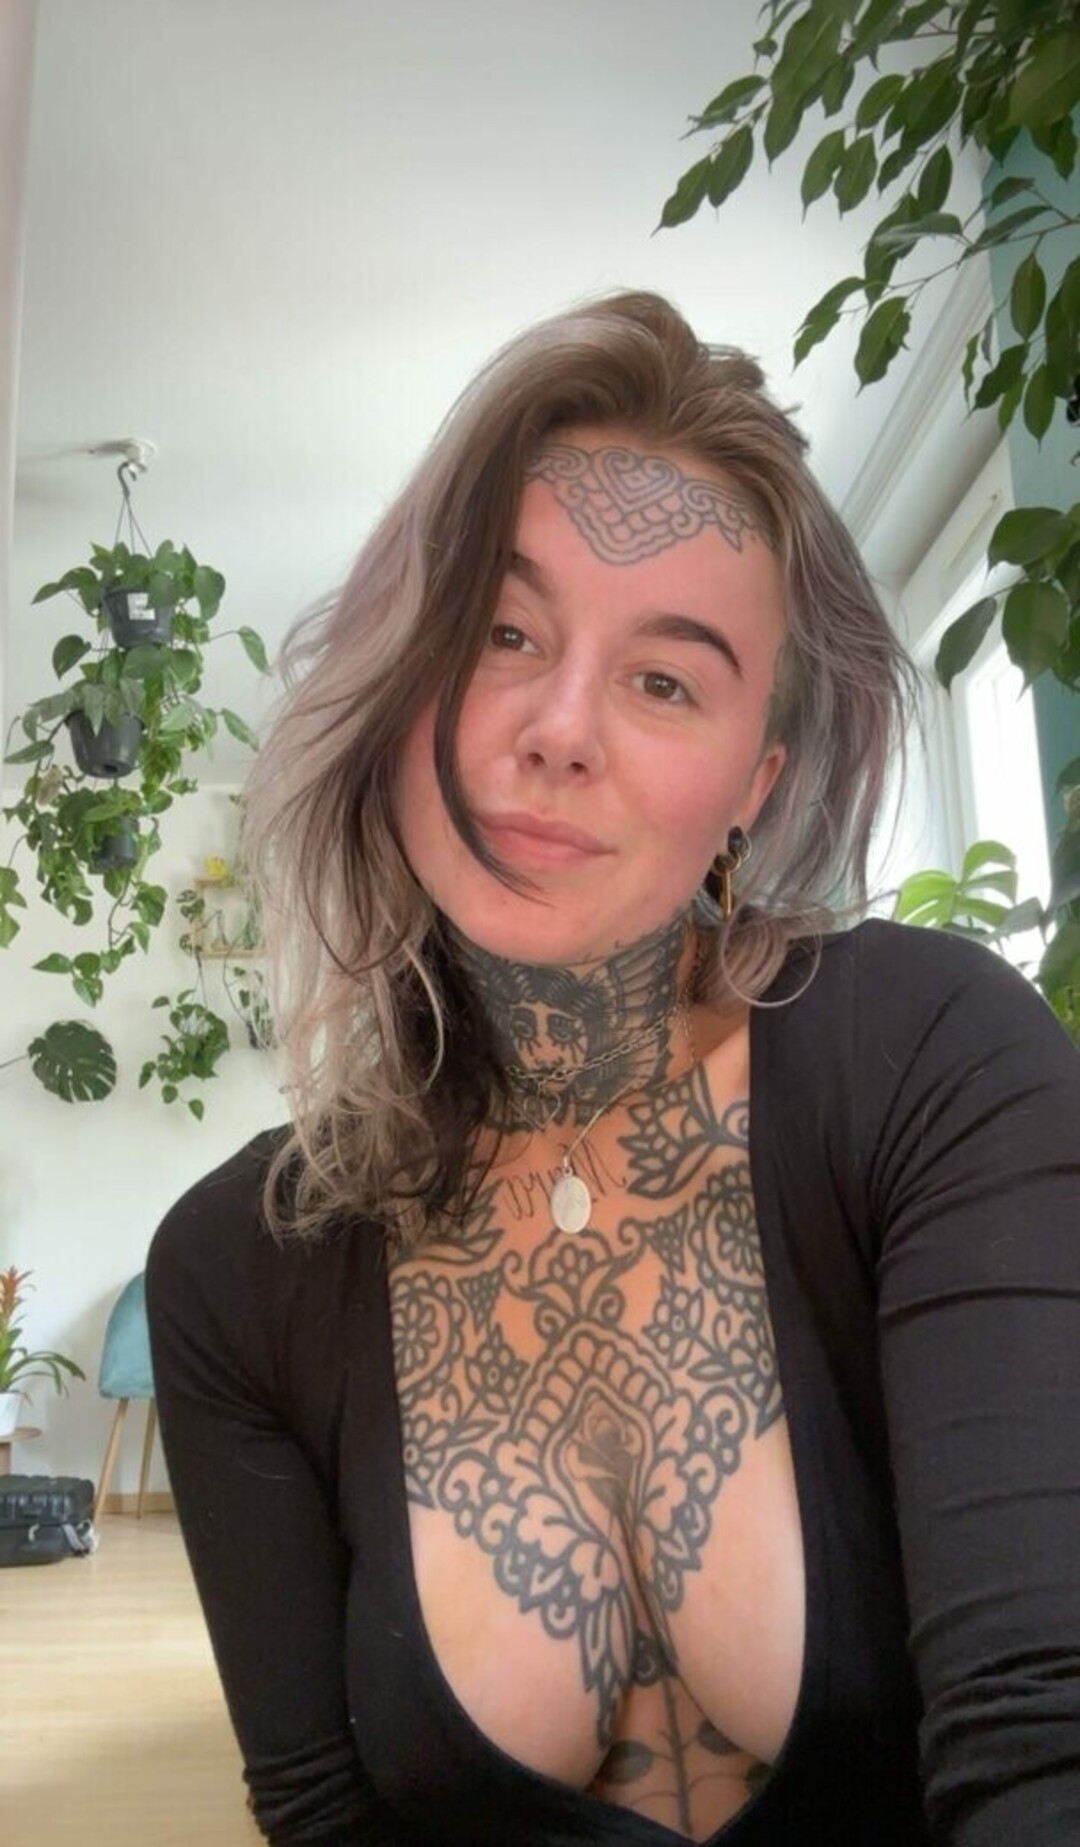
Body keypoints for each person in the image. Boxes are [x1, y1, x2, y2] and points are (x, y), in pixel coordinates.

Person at [146, 290, 1080, 1847]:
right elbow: (321, 1818)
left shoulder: (932, 1065)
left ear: (753, 783)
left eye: (665, 679)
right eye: (503, 633)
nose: (561, 728)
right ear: (401, 685)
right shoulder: (238, 1270)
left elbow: (1047, 1735)